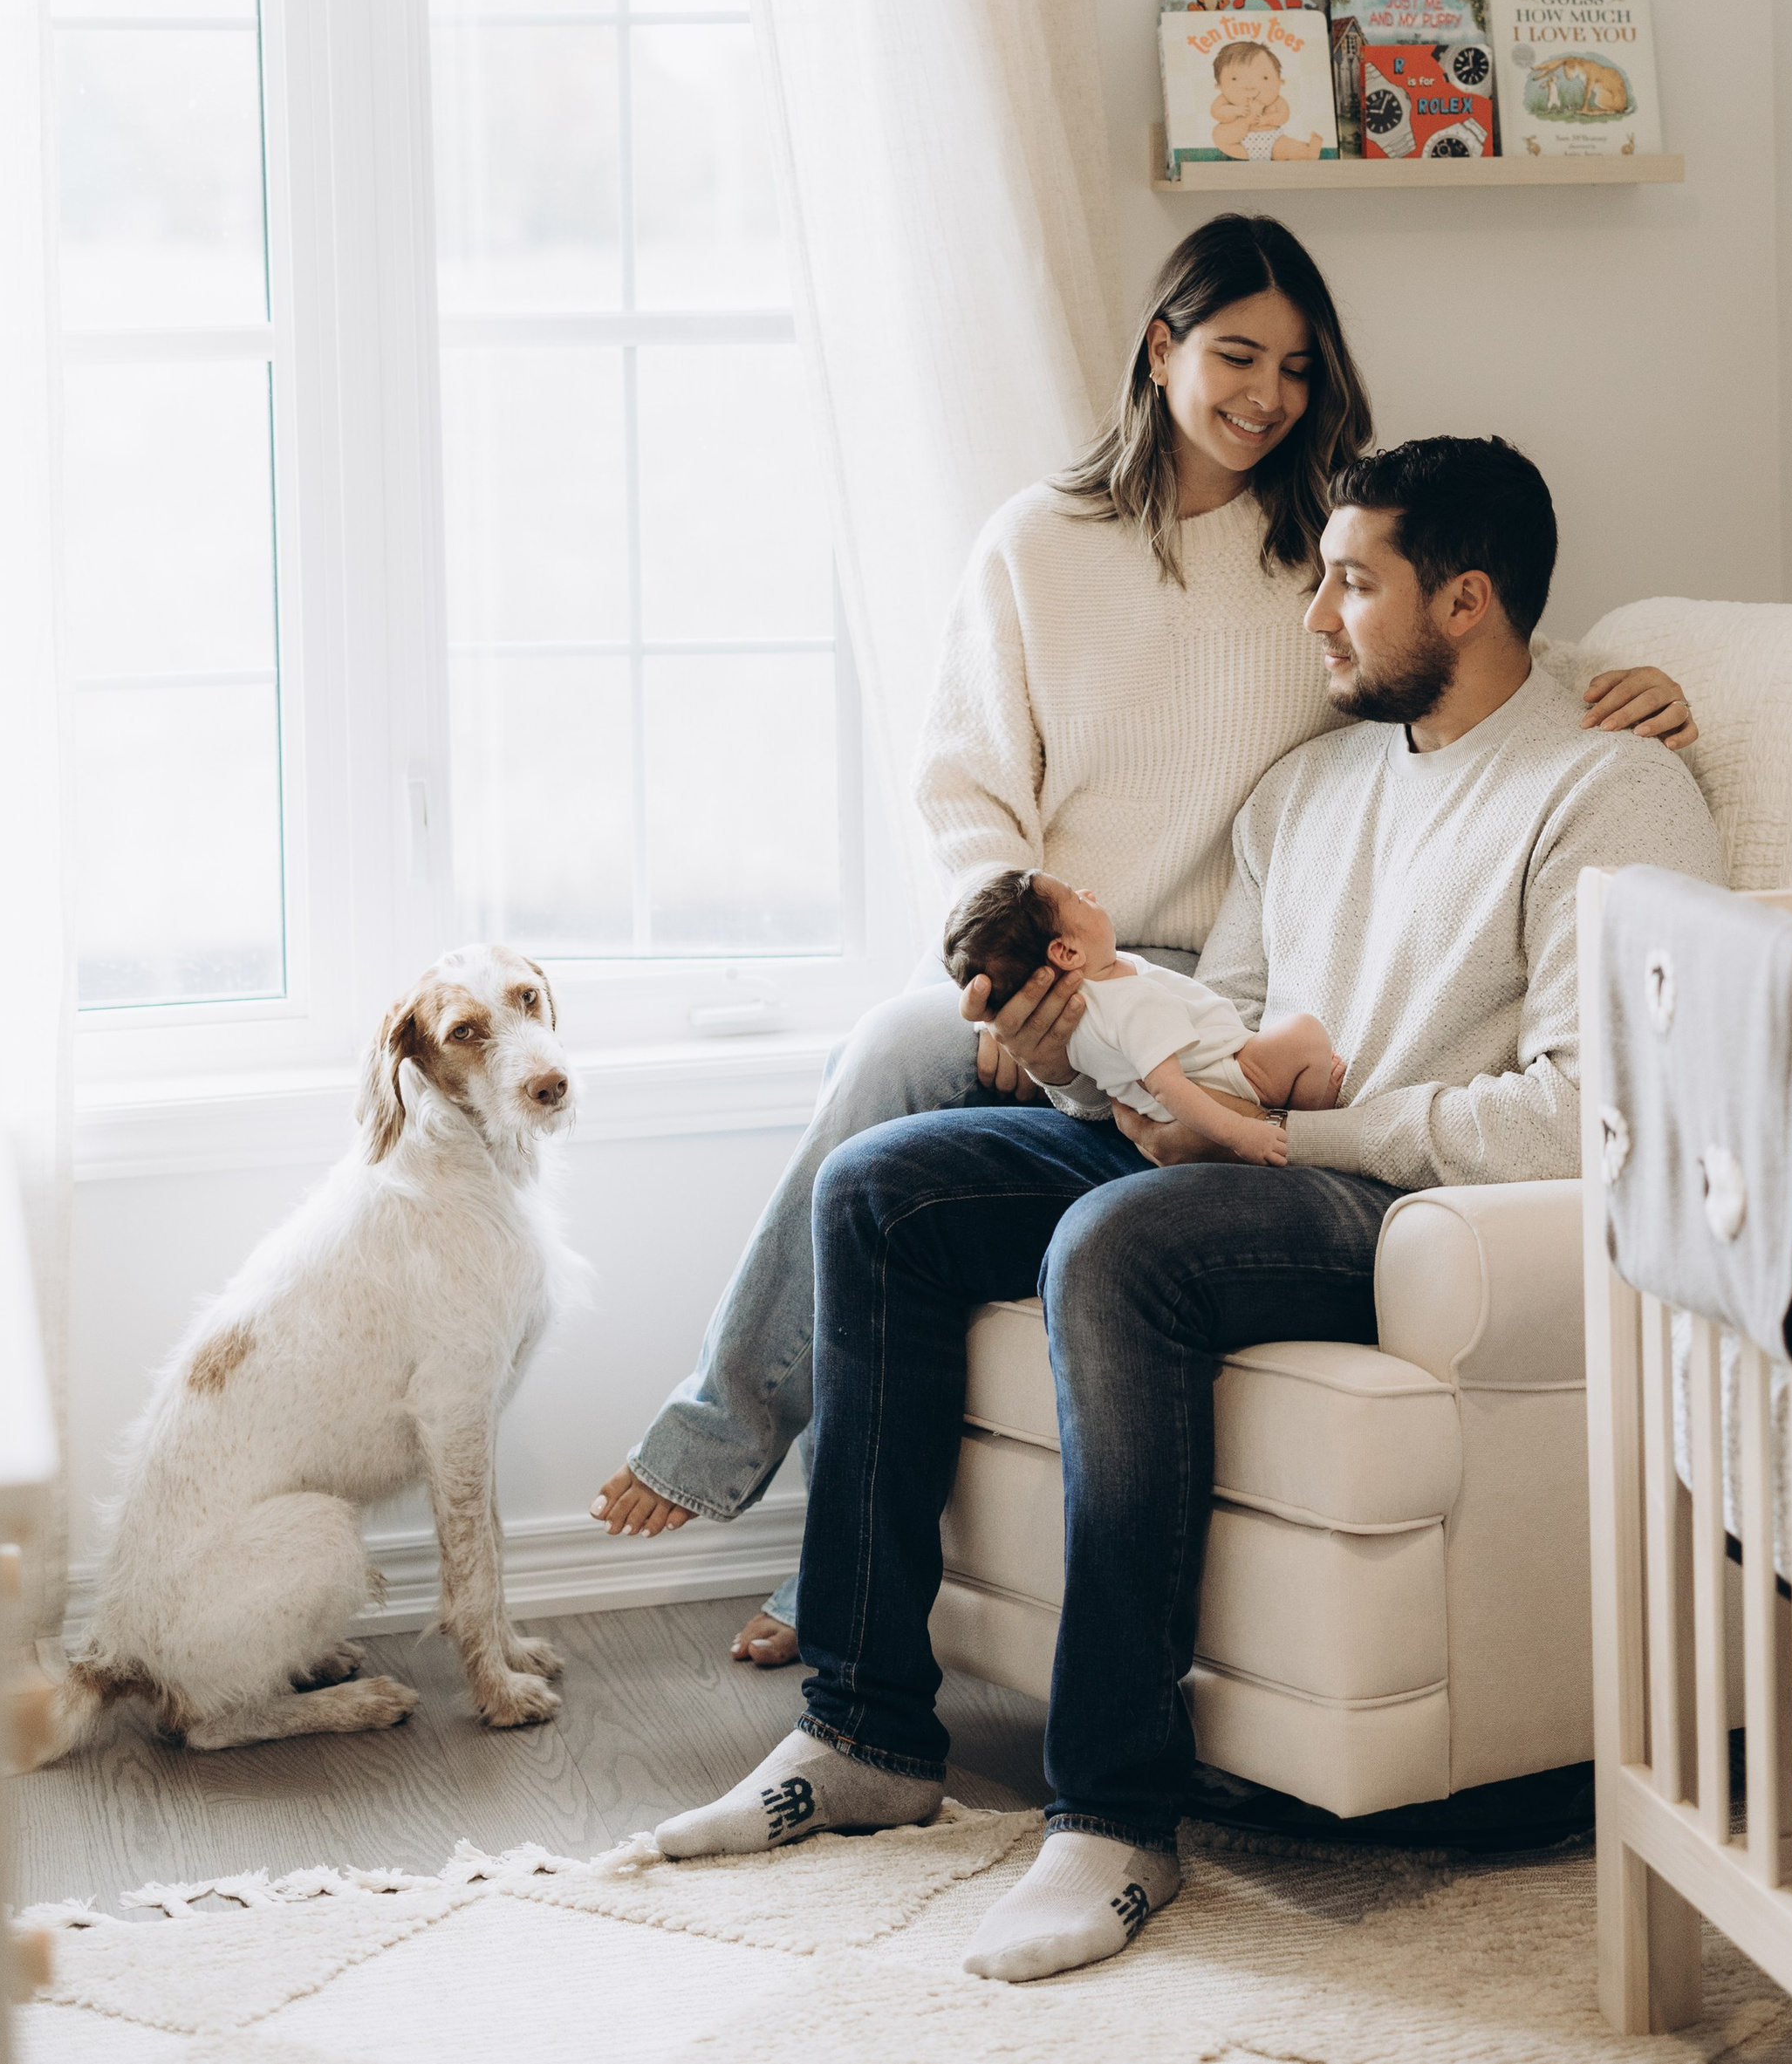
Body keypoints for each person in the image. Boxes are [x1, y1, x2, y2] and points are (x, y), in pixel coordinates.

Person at [649, 434, 1728, 1984]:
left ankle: (1114, 1814)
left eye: (1353, 584)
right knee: (884, 1188)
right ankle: (864, 1728)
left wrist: (1289, 1136)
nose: (1317, 617)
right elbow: (1214, 1027)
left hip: (1402, 1204)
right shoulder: (1308, 791)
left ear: (1469, 599)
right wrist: (1095, 1075)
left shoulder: (1611, 792)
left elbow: (1581, 1112)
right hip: (1251, 1154)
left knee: (1117, 1246)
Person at [589, 217, 1695, 1667]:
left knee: (1060, 1208)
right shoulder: (1038, 547)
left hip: (1230, 984)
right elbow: (967, 790)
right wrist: (1024, 973)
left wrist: (1619, 681)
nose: (1270, 396)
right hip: (1079, 952)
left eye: (1298, 368)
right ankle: (757, 1470)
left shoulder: (1316, 540)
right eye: (1238, 356)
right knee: (891, 1078)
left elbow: (1457, 642)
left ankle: (858, 1588)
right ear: (1162, 349)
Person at [942, 865, 1343, 1166]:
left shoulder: (1085, 1000)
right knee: (1306, 1034)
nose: (1088, 893)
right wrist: (1243, 1134)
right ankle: (1311, 1113)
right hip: (1230, 1075)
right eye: (1077, 901)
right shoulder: (1128, 1003)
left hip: (1186, 1098)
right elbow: (1169, 1088)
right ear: (1066, 952)